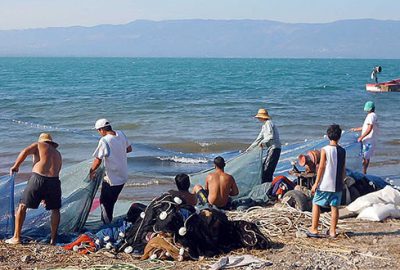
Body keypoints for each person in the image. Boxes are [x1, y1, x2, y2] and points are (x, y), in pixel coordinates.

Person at [6, 133, 62, 245]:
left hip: (38, 178)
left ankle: (16, 237)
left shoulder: (39, 144)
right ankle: (53, 240)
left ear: (42, 141)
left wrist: (16, 166)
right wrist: (45, 194)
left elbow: (25, 151)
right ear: (51, 143)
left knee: (22, 205)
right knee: (55, 209)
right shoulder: (57, 153)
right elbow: (58, 169)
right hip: (54, 181)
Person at [90, 119, 132, 224]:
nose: (99, 133)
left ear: (101, 130)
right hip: (123, 176)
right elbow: (129, 149)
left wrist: (91, 171)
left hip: (112, 179)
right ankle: (108, 222)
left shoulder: (104, 140)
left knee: (104, 203)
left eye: (98, 131)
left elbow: (98, 160)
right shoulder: (121, 134)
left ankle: (106, 226)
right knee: (111, 201)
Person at [308, 124, 346, 238]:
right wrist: (343, 180)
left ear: (328, 136)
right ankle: (333, 231)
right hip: (337, 184)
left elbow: (321, 167)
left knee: (316, 203)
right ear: (339, 137)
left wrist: (316, 183)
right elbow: (343, 167)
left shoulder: (324, 150)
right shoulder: (343, 151)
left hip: (325, 184)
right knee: (334, 207)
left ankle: (314, 229)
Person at [247, 108, 281, 183]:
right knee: (265, 169)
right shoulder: (264, 125)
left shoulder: (268, 123)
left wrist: (262, 143)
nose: (258, 118)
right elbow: (258, 139)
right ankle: (267, 187)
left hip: (275, 149)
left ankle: (267, 189)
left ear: (262, 117)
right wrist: (249, 149)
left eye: (259, 117)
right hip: (271, 149)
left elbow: (270, 136)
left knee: (267, 170)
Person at [351, 101, 378, 174]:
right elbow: (365, 127)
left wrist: (361, 137)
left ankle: (364, 173)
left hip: (368, 140)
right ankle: (364, 172)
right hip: (369, 140)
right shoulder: (372, 115)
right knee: (366, 157)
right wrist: (356, 129)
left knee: (365, 157)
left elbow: (369, 128)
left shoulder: (371, 116)